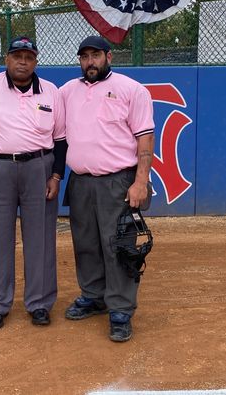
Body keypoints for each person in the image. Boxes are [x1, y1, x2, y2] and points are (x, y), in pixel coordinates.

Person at [0, 36, 66, 330]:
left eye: (29, 57)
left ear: (35, 62)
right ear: (6, 59)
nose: (22, 61)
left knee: (41, 237)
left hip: (38, 169)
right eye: (17, 56)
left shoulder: (51, 93)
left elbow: (61, 140)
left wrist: (56, 175)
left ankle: (40, 303)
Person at [60, 35, 154, 342]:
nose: (90, 61)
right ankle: (94, 296)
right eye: (84, 56)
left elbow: (145, 139)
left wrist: (141, 182)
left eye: (95, 55)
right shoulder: (67, 92)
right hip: (81, 181)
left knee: (119, 245)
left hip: (118, 180)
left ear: (108, 57)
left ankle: (121, 310)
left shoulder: (131, 89)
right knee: (86, 243)